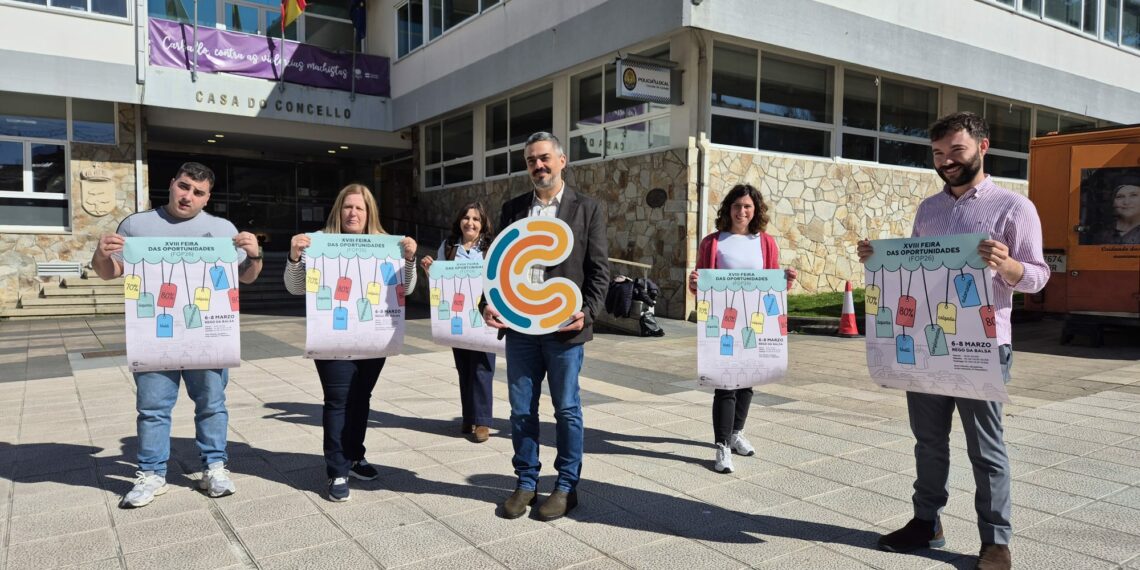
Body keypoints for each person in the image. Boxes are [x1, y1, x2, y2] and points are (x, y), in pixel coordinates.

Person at [857, 112, 1048, 570]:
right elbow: (917, 268)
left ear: (983, 147)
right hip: (927, 341)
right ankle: (927, 523)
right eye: (939, 154)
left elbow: (1039, 277)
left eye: (956, 151)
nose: (946, 161)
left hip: (982, 346)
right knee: (928, 440)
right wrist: (879, 260)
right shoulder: (929, 209)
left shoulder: (1014, 208)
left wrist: (1008, 267)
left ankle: (996, 541)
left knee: (986, 447)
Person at [91, 162, 264, 508]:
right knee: (153, 409)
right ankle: (152, 474)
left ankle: (214, 468)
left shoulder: (222, 228)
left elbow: (247, 277)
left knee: (212, 405)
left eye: (198, 192)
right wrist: (101, 254)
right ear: (171, 184)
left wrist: (255, 254)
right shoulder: (137, 225)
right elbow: (110, 272)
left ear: (207, 197)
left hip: (207, 336)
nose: (188, 196)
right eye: (184, 187)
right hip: (155, 334)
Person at [481, 132, 609, 521]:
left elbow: (599, 272)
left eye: (544, 158)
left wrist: (587, 311)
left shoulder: (588, 209)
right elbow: (495, 268)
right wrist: (486, 305)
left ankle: (567, 486)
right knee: (521, 411)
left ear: (562, 160)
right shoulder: (513, 209)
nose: (538, 166)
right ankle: (525, 481)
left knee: (566, 408)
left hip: (563, 329)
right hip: (520, 329)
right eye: (531, 161)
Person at [283, 183, 418, 502]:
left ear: (369, 212)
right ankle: (337, 469)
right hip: (333, 338)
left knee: (362, 398)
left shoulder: (388, 244)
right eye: (347, 207)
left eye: (359, 207)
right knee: (338, 400)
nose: (353, 213)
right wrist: (294, 257)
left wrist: (410, 261)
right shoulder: (317, 242)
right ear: (337, 211)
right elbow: (295, 289)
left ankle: (356, 455)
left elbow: (406, 290)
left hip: (373, 337)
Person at [687, 184, 797, 474]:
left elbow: (772, 283)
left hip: (754, 321)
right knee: (725, 384)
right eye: (737, 206)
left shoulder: (766, 243)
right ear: (728, 209)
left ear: (755, 210)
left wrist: (785, 281)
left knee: (748, 380)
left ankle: (736, 433)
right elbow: (700, 285)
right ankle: (722, 445)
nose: (742, 212)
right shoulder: (713, 242)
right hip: (723, 324)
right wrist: (695, 284)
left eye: (748, 206)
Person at [420, 202, 497, 443]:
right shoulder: (449, 246)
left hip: (484, 316)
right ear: (459, 221)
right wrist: (429, 270)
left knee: (483, 368)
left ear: (483, 223)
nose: (470, 223)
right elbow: (440, 280)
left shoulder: (490, 248)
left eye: (476, 219)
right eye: (466, 217)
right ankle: (469, 416)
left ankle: (483, 421)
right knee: (464, 368)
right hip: (458, 316)